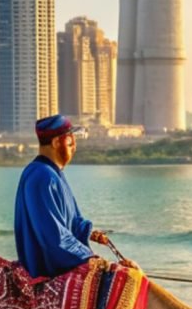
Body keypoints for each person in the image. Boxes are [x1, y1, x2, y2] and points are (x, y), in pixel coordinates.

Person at [14, 115, 121, 278]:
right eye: (70, 142)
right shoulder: (42, 176)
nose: (75, 147)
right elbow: (54, 237)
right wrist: (91, 259)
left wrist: (89, 232)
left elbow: (70, 222)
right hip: (48, 272)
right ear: (57, 142)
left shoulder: (53, 174)